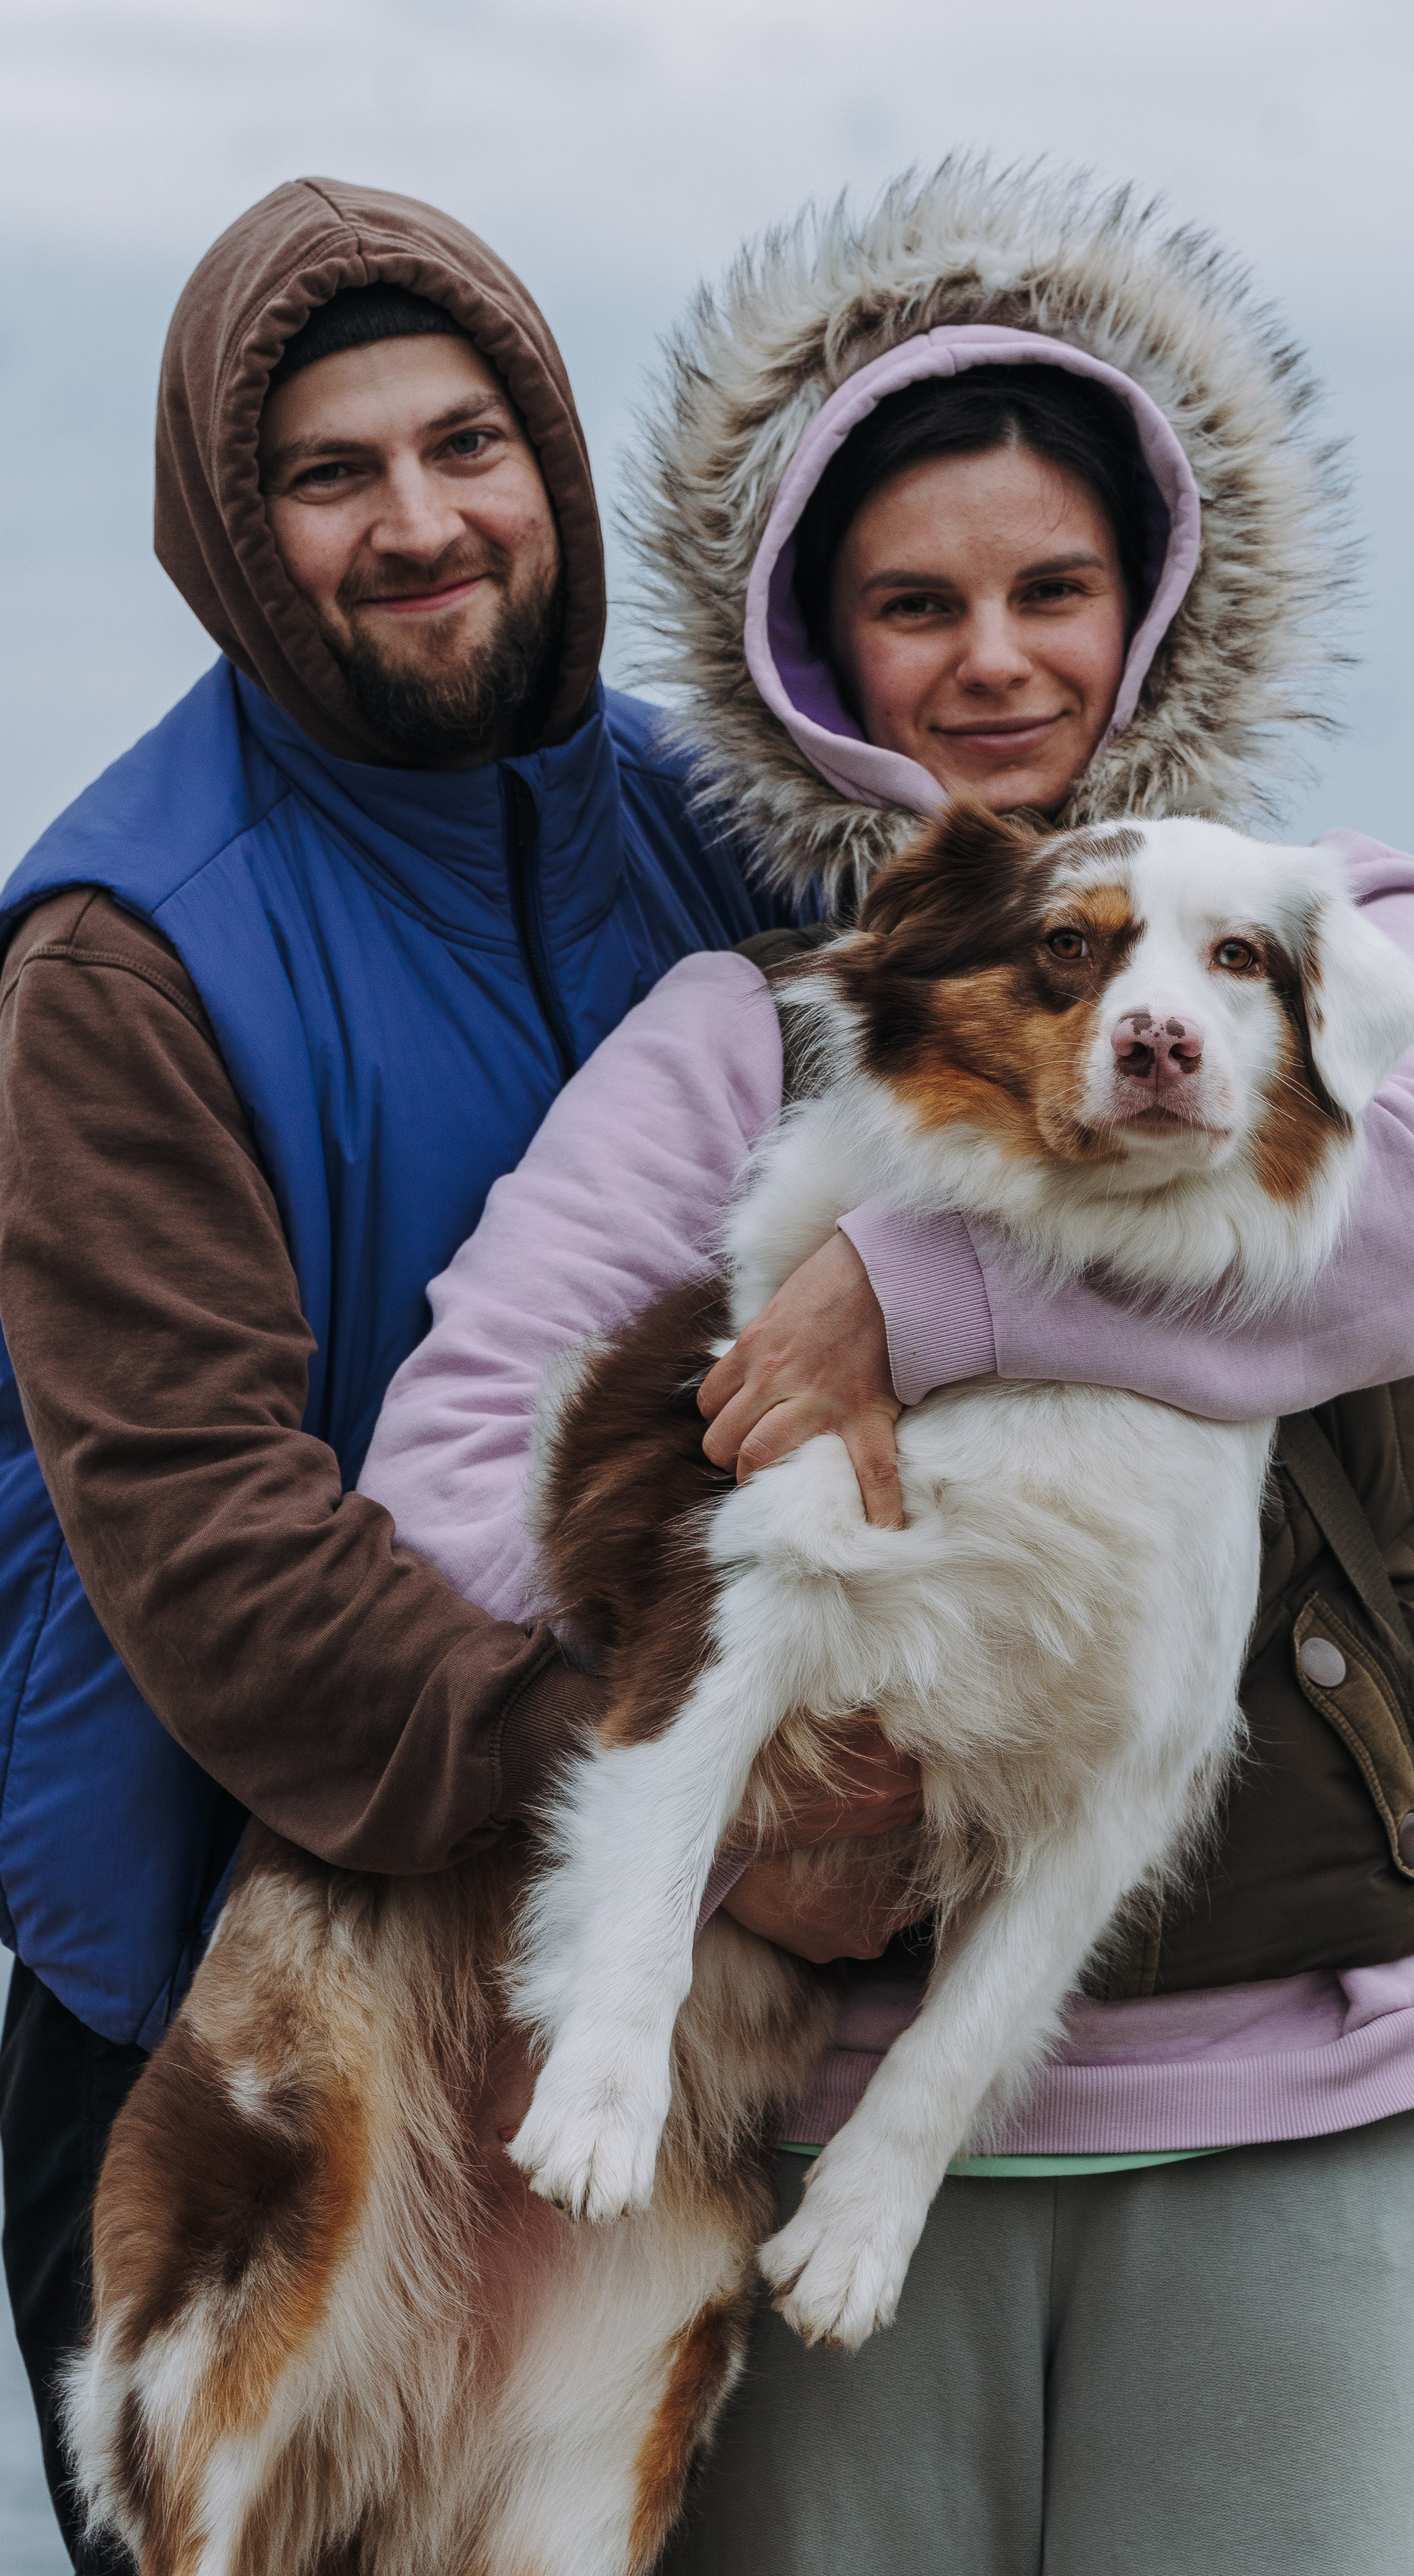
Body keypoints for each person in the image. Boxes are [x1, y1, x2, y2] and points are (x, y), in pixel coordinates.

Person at [357, 163, 1414, 2574]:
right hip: (817, 2128)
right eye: (917, 604)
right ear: (815, 650)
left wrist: (915, 1298)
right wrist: (721, 1777)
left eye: (1052, 590)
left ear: (1151, 602)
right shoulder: (740, 1038)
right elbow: (453, 1469)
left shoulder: (1349, 925)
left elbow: (1394, 1246)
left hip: (1303, 2073)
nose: (993, 659)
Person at [0, 176, 922, 2572]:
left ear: (555, 467)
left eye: (464, 445)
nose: (418, 524)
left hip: (657, 2007)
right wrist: (689, 1815)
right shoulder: (118, 955)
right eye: (330, 476)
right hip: (236, 2011)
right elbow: (206, 1544)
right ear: (233, 531)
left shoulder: (727, 843)